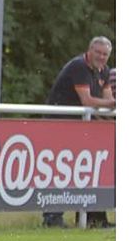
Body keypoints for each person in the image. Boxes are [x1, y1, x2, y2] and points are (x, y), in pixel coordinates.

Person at [42, 36, 116, 229]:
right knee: (59, 172)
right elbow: (88, 101)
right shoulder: (79, 67)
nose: (101, 57)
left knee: (89, 171)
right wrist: (114, 104)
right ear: (89, 51)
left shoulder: (105, 71)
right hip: (59, 126)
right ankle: (52, 218)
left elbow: (107, 99)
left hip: (80, 129)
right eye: (98, 53)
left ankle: (94, 218)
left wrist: (111, 105)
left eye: (105, 54)